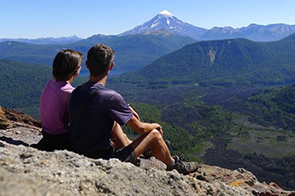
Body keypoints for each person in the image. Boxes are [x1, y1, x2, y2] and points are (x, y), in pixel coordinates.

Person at [68, 44, 199, 174]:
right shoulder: (110, 97)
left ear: (87, 65)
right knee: (154, 134)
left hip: (78, 153)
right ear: (111, 66)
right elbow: (140, 128)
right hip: (103, 161)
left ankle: (140, 149)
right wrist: (156, 125)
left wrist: (124, 108)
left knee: (112, 122)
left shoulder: (76, 92)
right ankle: (174, 165)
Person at [36, 49, 83, 151]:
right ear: (75, 70)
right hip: (60, 138)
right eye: (80, 66)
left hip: (47, 134)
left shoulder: (51, 83)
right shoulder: (69, 92)